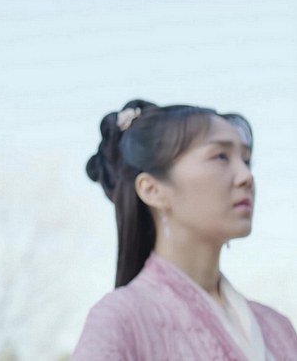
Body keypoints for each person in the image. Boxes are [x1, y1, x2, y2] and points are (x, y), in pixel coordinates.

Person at [72, 100, 297, 360]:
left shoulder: (278, 328)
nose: (247, 176)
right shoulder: (122, 319)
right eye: (221, 156)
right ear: (152, 189)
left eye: (246, 160)